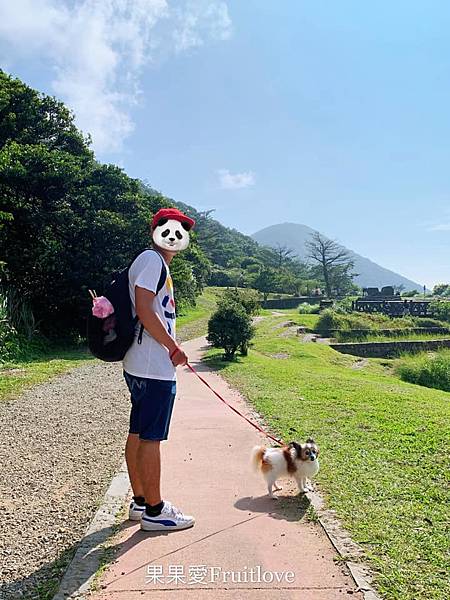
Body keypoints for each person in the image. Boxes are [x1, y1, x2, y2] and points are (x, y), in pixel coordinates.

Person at [122, 207, 196, 531]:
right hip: (153, 367)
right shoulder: (152, 261)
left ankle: (140, 503)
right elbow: (144, 308)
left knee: (138, 431)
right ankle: (155, 510)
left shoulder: (153, 263)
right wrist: (173, 347)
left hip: (141, 363)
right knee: (151, 437)